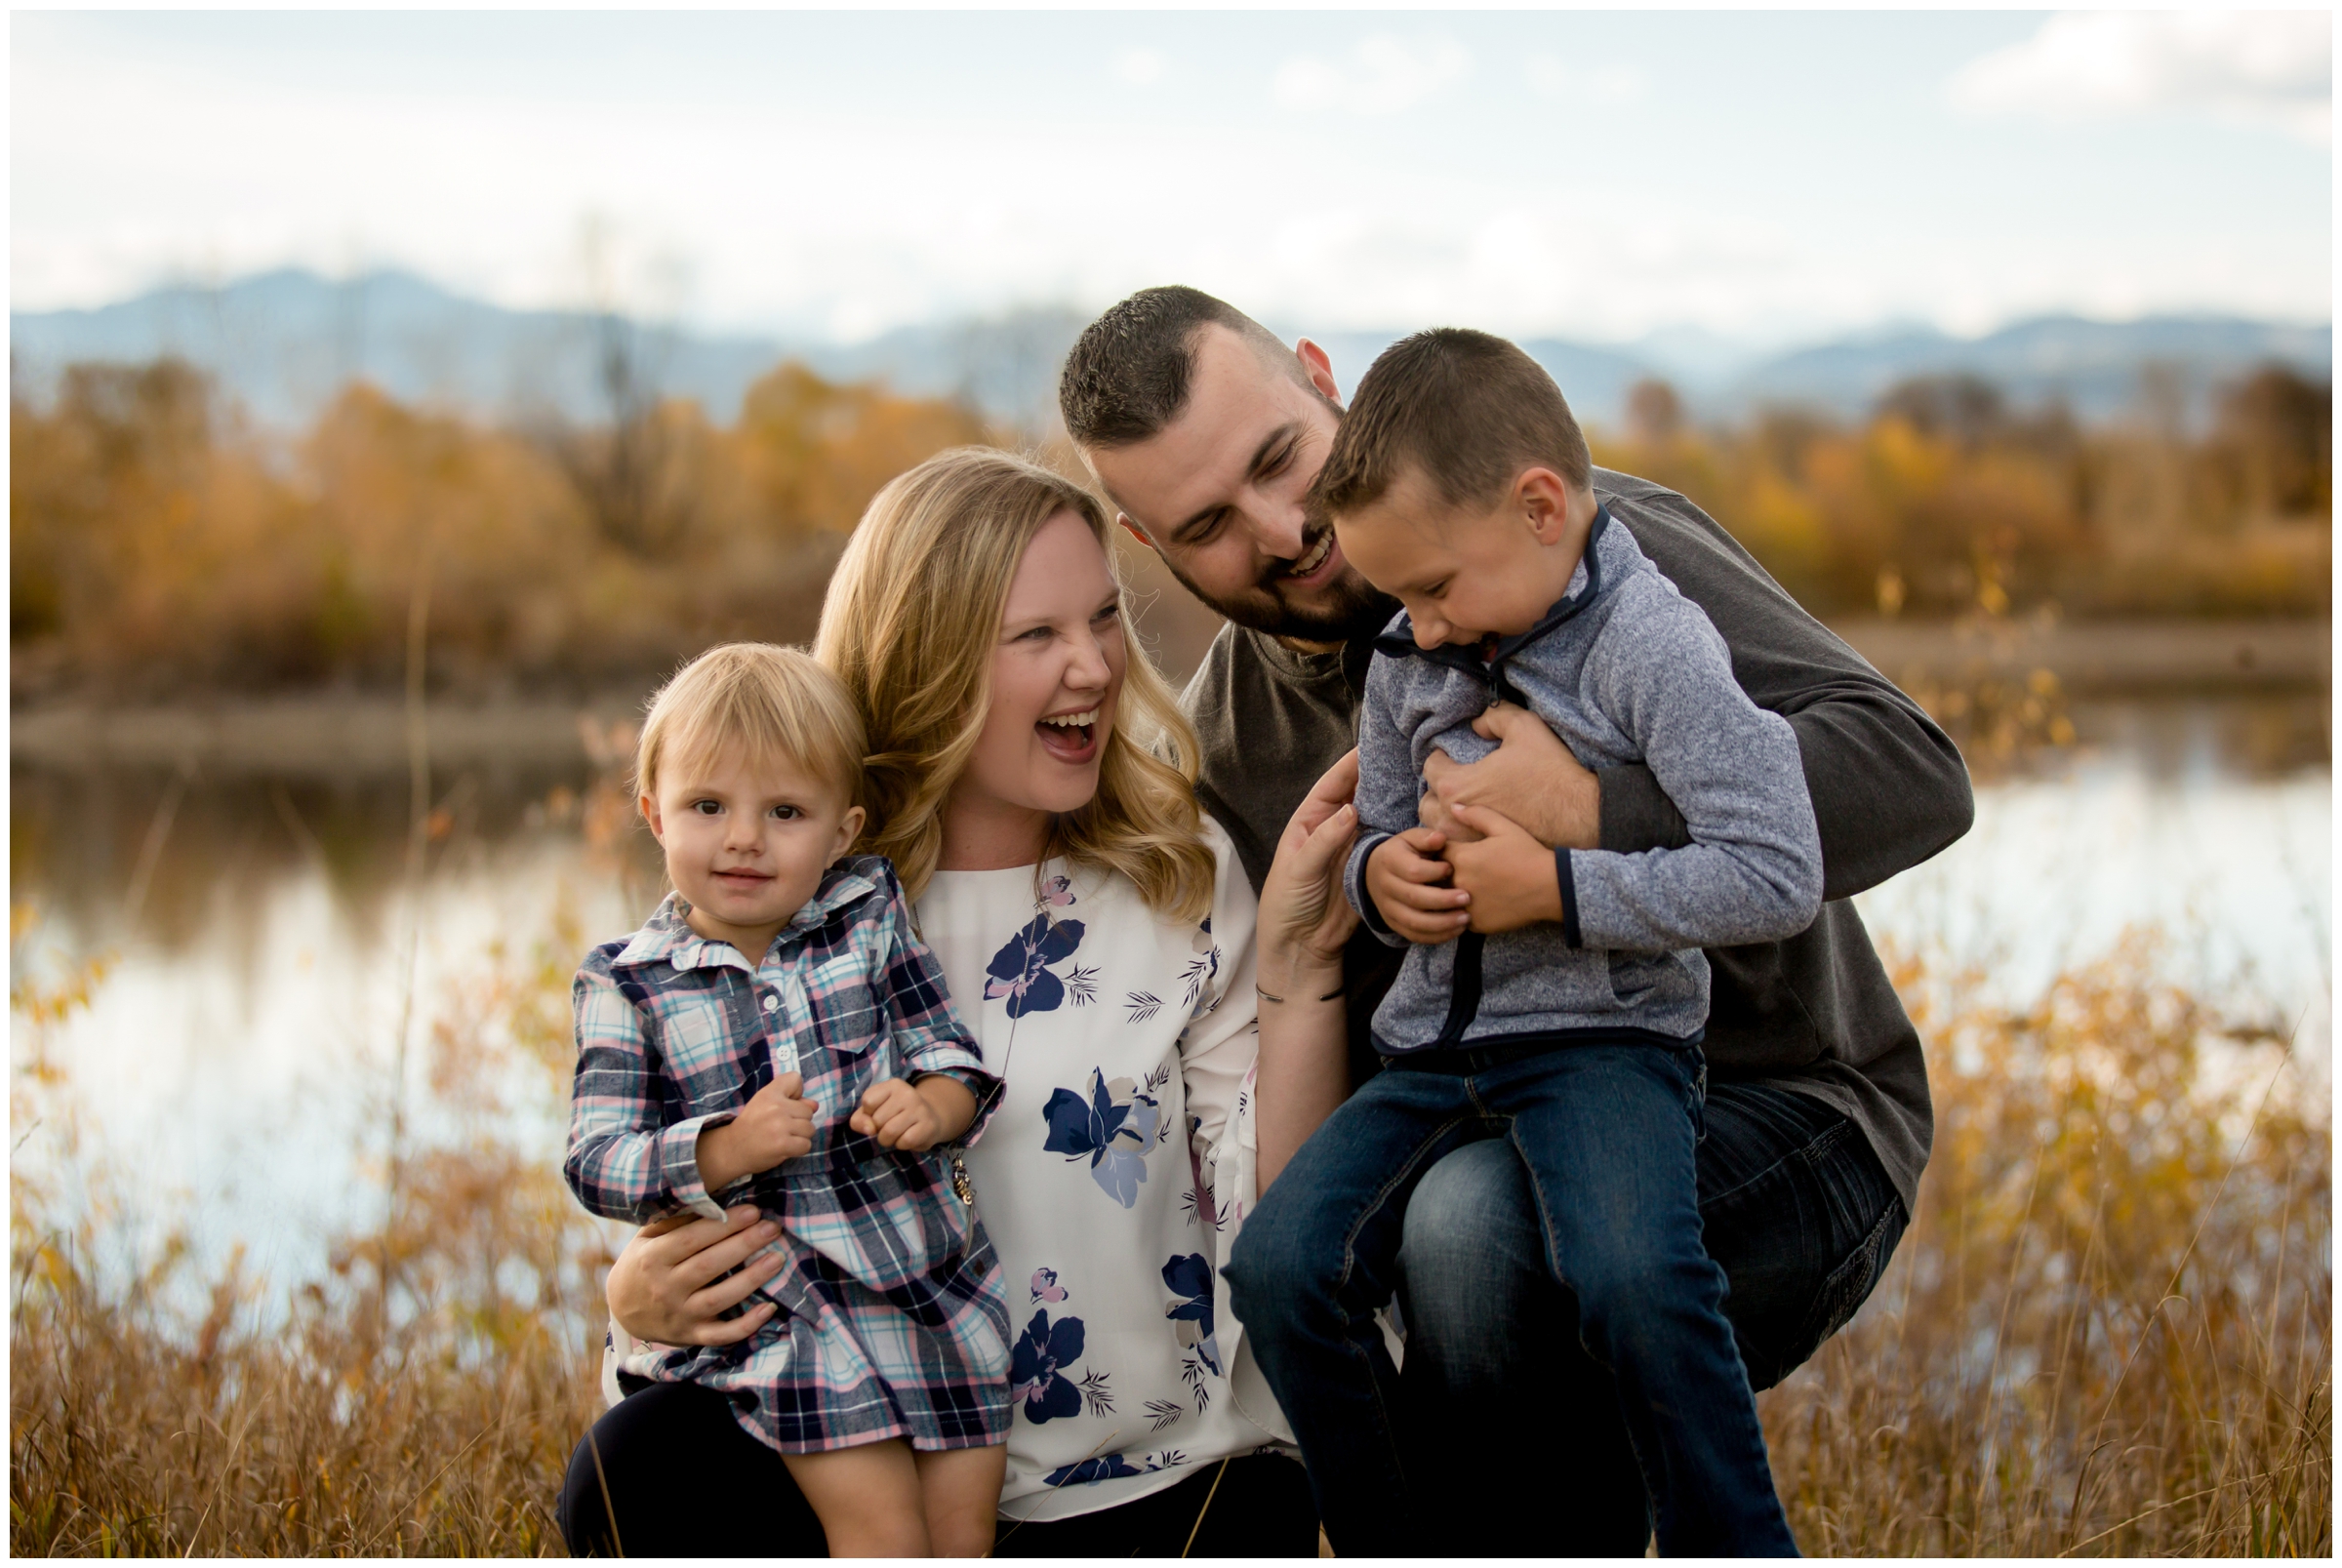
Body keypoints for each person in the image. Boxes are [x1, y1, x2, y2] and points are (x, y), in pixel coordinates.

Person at [1057, 286, 1974, 1552]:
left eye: (1279, 459)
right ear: (1146, 543)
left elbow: (1913, 773)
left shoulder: (1587, 547)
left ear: (1325, 379)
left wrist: (1596, 807)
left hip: (1790, 1113)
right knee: (1360, 1251)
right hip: (1479, 1130)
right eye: (1209, 523)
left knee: (1477, 1221)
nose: (1285, 528)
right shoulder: (1224, 750)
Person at [557, 448, 1361, 1556]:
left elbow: (1273, 1210)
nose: (1093, 667)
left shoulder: (1177, 877)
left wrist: (1303, 969)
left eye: (1103, 620)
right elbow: (685, 1166)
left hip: (1142, 1483)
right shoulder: (798, 889)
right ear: (928, 658)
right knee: (634, 1463)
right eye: (1036, 636)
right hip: (860, 1465)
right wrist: (636, 1292)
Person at [1227, 327, 1820, 1553]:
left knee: (1634, 1282)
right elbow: (1381, 835)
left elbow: (1778, 871)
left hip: (1604, 1042)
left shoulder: (1653, 643)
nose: (1425, 629)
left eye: (1439, 588)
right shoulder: (1405, 653)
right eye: (1405, 600)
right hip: (1435, 1053)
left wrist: (1559, 884)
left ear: (1541, 507)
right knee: (1279, 1268)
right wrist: (1386, 878)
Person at [563, 642, 1012, 1555]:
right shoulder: (628, 981)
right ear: (654, 813)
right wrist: (723, 1148)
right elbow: (597, 1159)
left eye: (784, 811)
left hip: (926, 1280)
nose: (743, 837)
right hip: (788, 1313)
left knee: (964, 1533)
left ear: (842, 829)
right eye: (707, 805)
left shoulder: (868, 913)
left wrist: (933, 1105)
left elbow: (948, 1048)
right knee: (883, 1532)